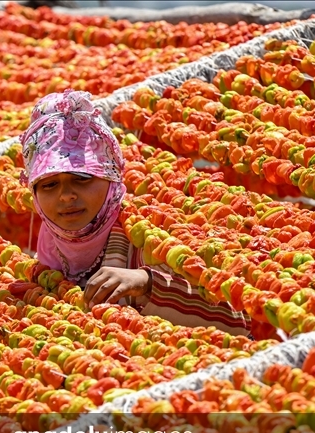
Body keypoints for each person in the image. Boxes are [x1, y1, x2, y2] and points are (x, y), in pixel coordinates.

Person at [19, 90, 251, 337]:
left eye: (82, 178)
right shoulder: (48, 250)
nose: (66, 195)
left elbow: (237, 317)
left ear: (111, 179)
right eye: (49, 185)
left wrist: (148, 284)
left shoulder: (158, 234)